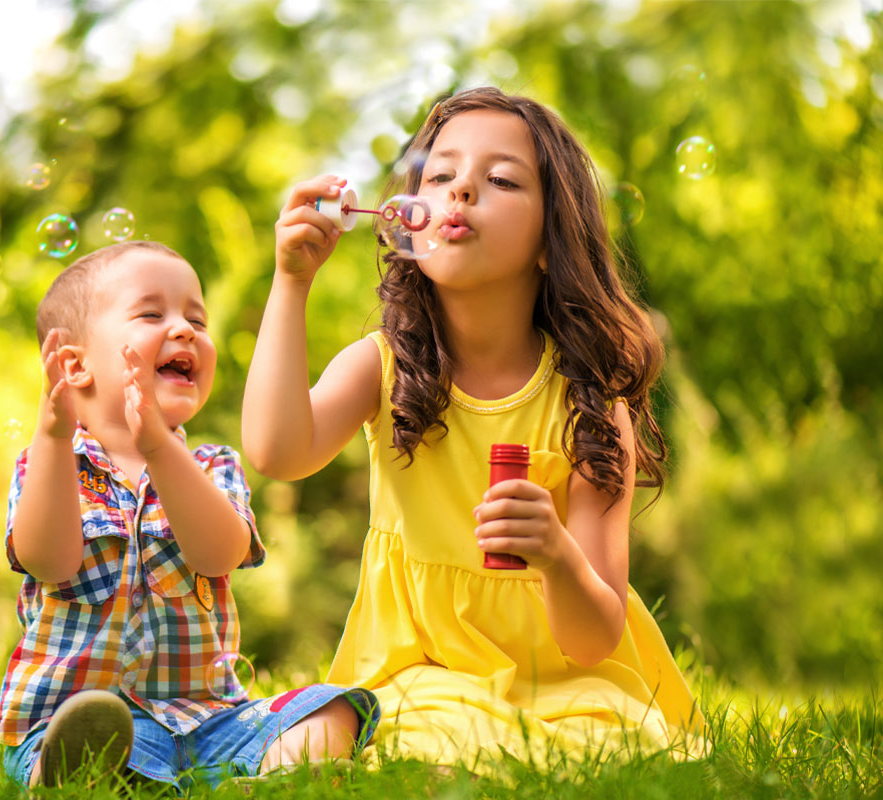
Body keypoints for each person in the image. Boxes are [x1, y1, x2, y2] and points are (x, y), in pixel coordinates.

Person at [241, 87, 708, 771]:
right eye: (440, 175)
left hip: (565, 683)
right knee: (380, 727)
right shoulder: (383, 367)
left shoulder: (590, 405)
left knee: (618, 740)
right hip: (420, 670)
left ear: (550, 243)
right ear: (408, 221)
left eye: (501, 180)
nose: (460, 189)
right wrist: (291, 284)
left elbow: (592, 640)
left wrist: (557, 555)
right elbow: (275, 451)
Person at [0, 240, 378, 790]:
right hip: (86, 719)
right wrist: (53, 436)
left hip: (209, 720)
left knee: (333, 707)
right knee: (97, 736)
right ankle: (85, 771)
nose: (185, 330)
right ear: (74, 365)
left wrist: (158, 446)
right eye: (152, 314)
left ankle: (272, 777)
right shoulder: (48, 465)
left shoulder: (213, 466)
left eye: (197, 319)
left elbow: (219, 554)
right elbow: (47, 560)